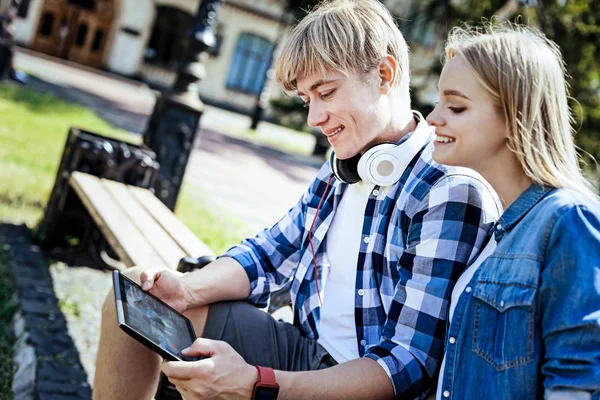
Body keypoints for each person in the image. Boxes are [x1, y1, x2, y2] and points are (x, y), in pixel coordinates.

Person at [93, 1, 501, 399]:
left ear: (384, 74)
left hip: (359, 385)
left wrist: (257, 383)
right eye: (308, 100)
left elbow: (405, 367)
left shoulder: (448, 190)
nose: (314, 118)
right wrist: (186, 290)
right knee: (138, 294)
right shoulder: (344, 160)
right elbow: (271, 253)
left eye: (326, 92)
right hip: (305, 353)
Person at [426, 24, 600, 399]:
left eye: (455, 106)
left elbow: (578, 384)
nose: (433, 118)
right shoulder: (498, 226)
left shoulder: (567, 220)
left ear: (513, 115)